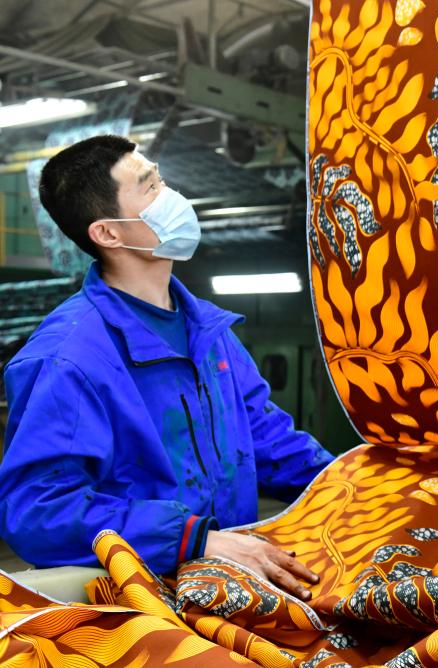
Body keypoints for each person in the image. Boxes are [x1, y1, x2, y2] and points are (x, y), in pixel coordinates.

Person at [0, 135, 333, 600]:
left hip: (229, 590)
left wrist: (354, 484)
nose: (173, 197)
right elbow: (39, 511)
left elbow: (267, 442)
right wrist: (192, 540)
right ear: (108, 233)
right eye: (150, 187)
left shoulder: (209, 332)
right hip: (140, 604)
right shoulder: (67, 358)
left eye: (162, 180)